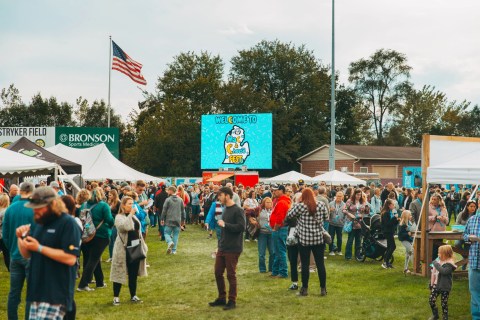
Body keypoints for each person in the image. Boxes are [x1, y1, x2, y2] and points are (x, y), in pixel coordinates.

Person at [17, 186, 81, 320]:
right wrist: (20, 238)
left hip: (55, 293)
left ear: (52, 204)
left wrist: (39, 248)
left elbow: (70, 258)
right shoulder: (41, 224)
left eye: (39, 207)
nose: (36, 211)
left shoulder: (68, 223)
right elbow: (27, 254)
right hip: (37, 291)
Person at [286, 188, 329, 297]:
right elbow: (326, 217)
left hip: (304, 239)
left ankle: (304, 289)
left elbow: (289, 215)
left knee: (305, 264)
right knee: (320, 264)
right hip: (318, 239)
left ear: (303, 196)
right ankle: (323, 289)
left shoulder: (300, 206)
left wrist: (297, 203)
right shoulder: (321, 204)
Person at [209, 186, 246, 310]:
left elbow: (241, 227)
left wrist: (226, 224)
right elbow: (224, 231)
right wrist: (219, 246)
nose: (218, 197)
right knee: (218, 272)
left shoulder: (238, 210)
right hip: (223, 247)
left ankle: (232, 300)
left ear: (227, 195)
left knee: (231, 275)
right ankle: (221, 298)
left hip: (233, 248)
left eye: (220, 195)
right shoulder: (225, 209)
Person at [2, 182, 35, 320]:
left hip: (15, 254)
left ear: (20, 191)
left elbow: (5, 234)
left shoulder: (10, 209)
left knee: (14, 293)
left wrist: (12, 247)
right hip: (32, 256)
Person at [111, 196, 148, 305]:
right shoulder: (119, 217)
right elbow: (125, 227)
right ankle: (116, 297)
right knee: (119, 272)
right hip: (123, 249)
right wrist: (131, 214)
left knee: (133, 273)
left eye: (132, 203)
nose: (132, 206)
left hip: (135, 247)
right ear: (123, 205)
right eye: (129, 204)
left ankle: (133, 295)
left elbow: (138, 228)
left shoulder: (134, 216)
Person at [77, 187, 114, 291]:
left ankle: (100, 282)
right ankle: (83, 284)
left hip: (86, 235)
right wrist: (113, 224)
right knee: (93, 260)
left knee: (94, 258)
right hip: (101, 235)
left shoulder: (84, 205)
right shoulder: (103, 205)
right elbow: (109, 220)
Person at [269, 184, 292, 278]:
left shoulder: (282, 202)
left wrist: (275, 228)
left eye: (275, 190)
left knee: (280, 251)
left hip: (279, 229)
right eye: (273, 190)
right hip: (281, 228)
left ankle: (282, 272)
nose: (274, 192)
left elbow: (280, 217)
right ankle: (276, 271)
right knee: (278, 251)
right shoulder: (283, 201)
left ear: (281, 191)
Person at [428, 245, 457, 320]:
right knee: (431, 300)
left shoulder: (450, 264)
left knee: (444, 303)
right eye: (438, 253)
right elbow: (433, 273)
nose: (438, 254)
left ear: (446, 254)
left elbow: (443, 271)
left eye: (440, 253)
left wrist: (436, 264)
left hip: (445, 286)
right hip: (436, 284)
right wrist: (431, 284)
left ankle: (445, 317)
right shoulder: (438, 261)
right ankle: (435, 315)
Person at [343, 189, 370, 261]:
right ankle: (348, 255)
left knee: (358, 240)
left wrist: (367, 207)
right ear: (354, 194)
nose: (359, 196)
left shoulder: (363, 202)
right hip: (351, 222)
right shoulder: (349, 201)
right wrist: (349, 214)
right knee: (350, 240)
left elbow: (367, 212)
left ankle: (358, 255)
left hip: (360, 223)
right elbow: (344, 210)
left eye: (360, 195)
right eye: (357, 194)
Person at [463, 209, 480, 319]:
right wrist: (469, 237)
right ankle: (476, 317)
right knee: (474, 292)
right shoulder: (472, 219)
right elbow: (464, 235)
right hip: (474, 261)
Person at [160, 186, 186, 255]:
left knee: (166, 233)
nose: (167, 192)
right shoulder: (180, 200)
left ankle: (169, 242)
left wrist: (162, 218)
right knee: (176, 235)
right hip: (178, 220)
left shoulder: (167, 199)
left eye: (168, 190)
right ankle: (174, 251)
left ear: (171, 191)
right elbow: (183, 211)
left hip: (169, 220)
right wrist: (183, 220)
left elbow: (164, 210)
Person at [428, 194, 449, 261]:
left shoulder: (443, 208)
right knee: (433, 248)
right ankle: (432, 264)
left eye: (435, 199)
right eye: (432, 199)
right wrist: (434, 217)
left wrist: (443, 218)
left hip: (441, 231)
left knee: (439, 248)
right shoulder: (429, 207)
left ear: (439, 200)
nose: (433, 201)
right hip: (433, 230)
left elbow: (447, 220)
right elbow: (426, 218)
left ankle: (437, 264)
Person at [257, 197, 275, 273]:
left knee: (273, 252)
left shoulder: (273, 210)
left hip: (271, 233)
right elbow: (248, 213)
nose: (269, 204)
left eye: (270, 202)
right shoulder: (259, 210)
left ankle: (271, 268)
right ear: (264, 203)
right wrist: (254, 221)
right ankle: (262, 269)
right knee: (261, 253)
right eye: (267, 202)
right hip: (262, 233)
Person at [381, 199, 399, 269]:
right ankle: (385, 262)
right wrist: (394, 218)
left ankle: (387, 262)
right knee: (393, 246)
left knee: (389, 247)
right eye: (393, 205)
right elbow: (387, 224)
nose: (394, 206)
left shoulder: (390, 212)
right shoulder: (385, 213)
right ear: (389, 205)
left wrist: (396, 220)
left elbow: (392, 224)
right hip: (387, 232)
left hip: (390, 231)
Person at [328, 191, 345, 256]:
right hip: (332, 223)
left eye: (340, 196)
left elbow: (345, 214)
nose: (339, 197)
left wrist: (344, 221)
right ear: (336, 196)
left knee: (339, 238)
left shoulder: (344, 204)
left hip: (340, 223)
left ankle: (339, 250)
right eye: (338, 196)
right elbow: (327, 212)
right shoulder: (331, 203)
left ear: (342, 197)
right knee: (331, 237)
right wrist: (330, 210)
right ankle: (331, 250)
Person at [399, 210, 416, 274]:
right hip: (404, 240)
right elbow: (400, 234)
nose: (411, 216)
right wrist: (407, 234)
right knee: (412, 251)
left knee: (407, 254)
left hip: (408, 240)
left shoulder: (409, 222)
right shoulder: (402, 224)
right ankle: (415, 267)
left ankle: (405, 268)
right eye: (410, 215)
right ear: (406, 216)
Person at [107, 189, 121, 263]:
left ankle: (115, 256)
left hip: (115, 223)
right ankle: (111, 256)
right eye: (108, 195)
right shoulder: (109, 202)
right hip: (109, 223)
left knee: (114, 240)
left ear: (114, 195)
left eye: (110, 195)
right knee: (110, 240)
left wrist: (111, 214)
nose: (109, 196)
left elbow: (119, 214)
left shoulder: (118, 203)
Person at [0, 193, 11, 271]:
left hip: (2, 235)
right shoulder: (9, 210)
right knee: (7, 254)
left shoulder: (2, 212)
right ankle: (10, 269)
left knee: (6, 254)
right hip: (6, 235)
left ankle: (10, 268)